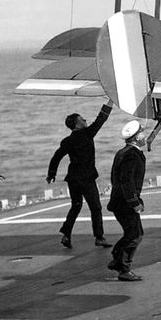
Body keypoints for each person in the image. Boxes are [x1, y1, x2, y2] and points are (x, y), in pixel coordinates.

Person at [46, 100, 114, 248]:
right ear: (77, 124)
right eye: (82, 119)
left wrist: (51, 173)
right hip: (86, 178)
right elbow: (101, 119)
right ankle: (99, 237)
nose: (85, 121)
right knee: (95, 207)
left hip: (73, 179)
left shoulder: (68, 141)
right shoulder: (88, 134)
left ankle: (66, 234)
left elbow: (56, 157)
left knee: (76, 206)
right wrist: (110, 102)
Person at [107, 120, 147, 282]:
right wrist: (134, 202)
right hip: (125, 203)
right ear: (137, 138)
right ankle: (123, 269)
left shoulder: (123, 152)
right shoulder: (131, 155)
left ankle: (117, 260)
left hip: (119, 202)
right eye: (142, 133)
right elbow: (126, 181)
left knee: (133, 233)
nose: (144, 135)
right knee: (135, 235)